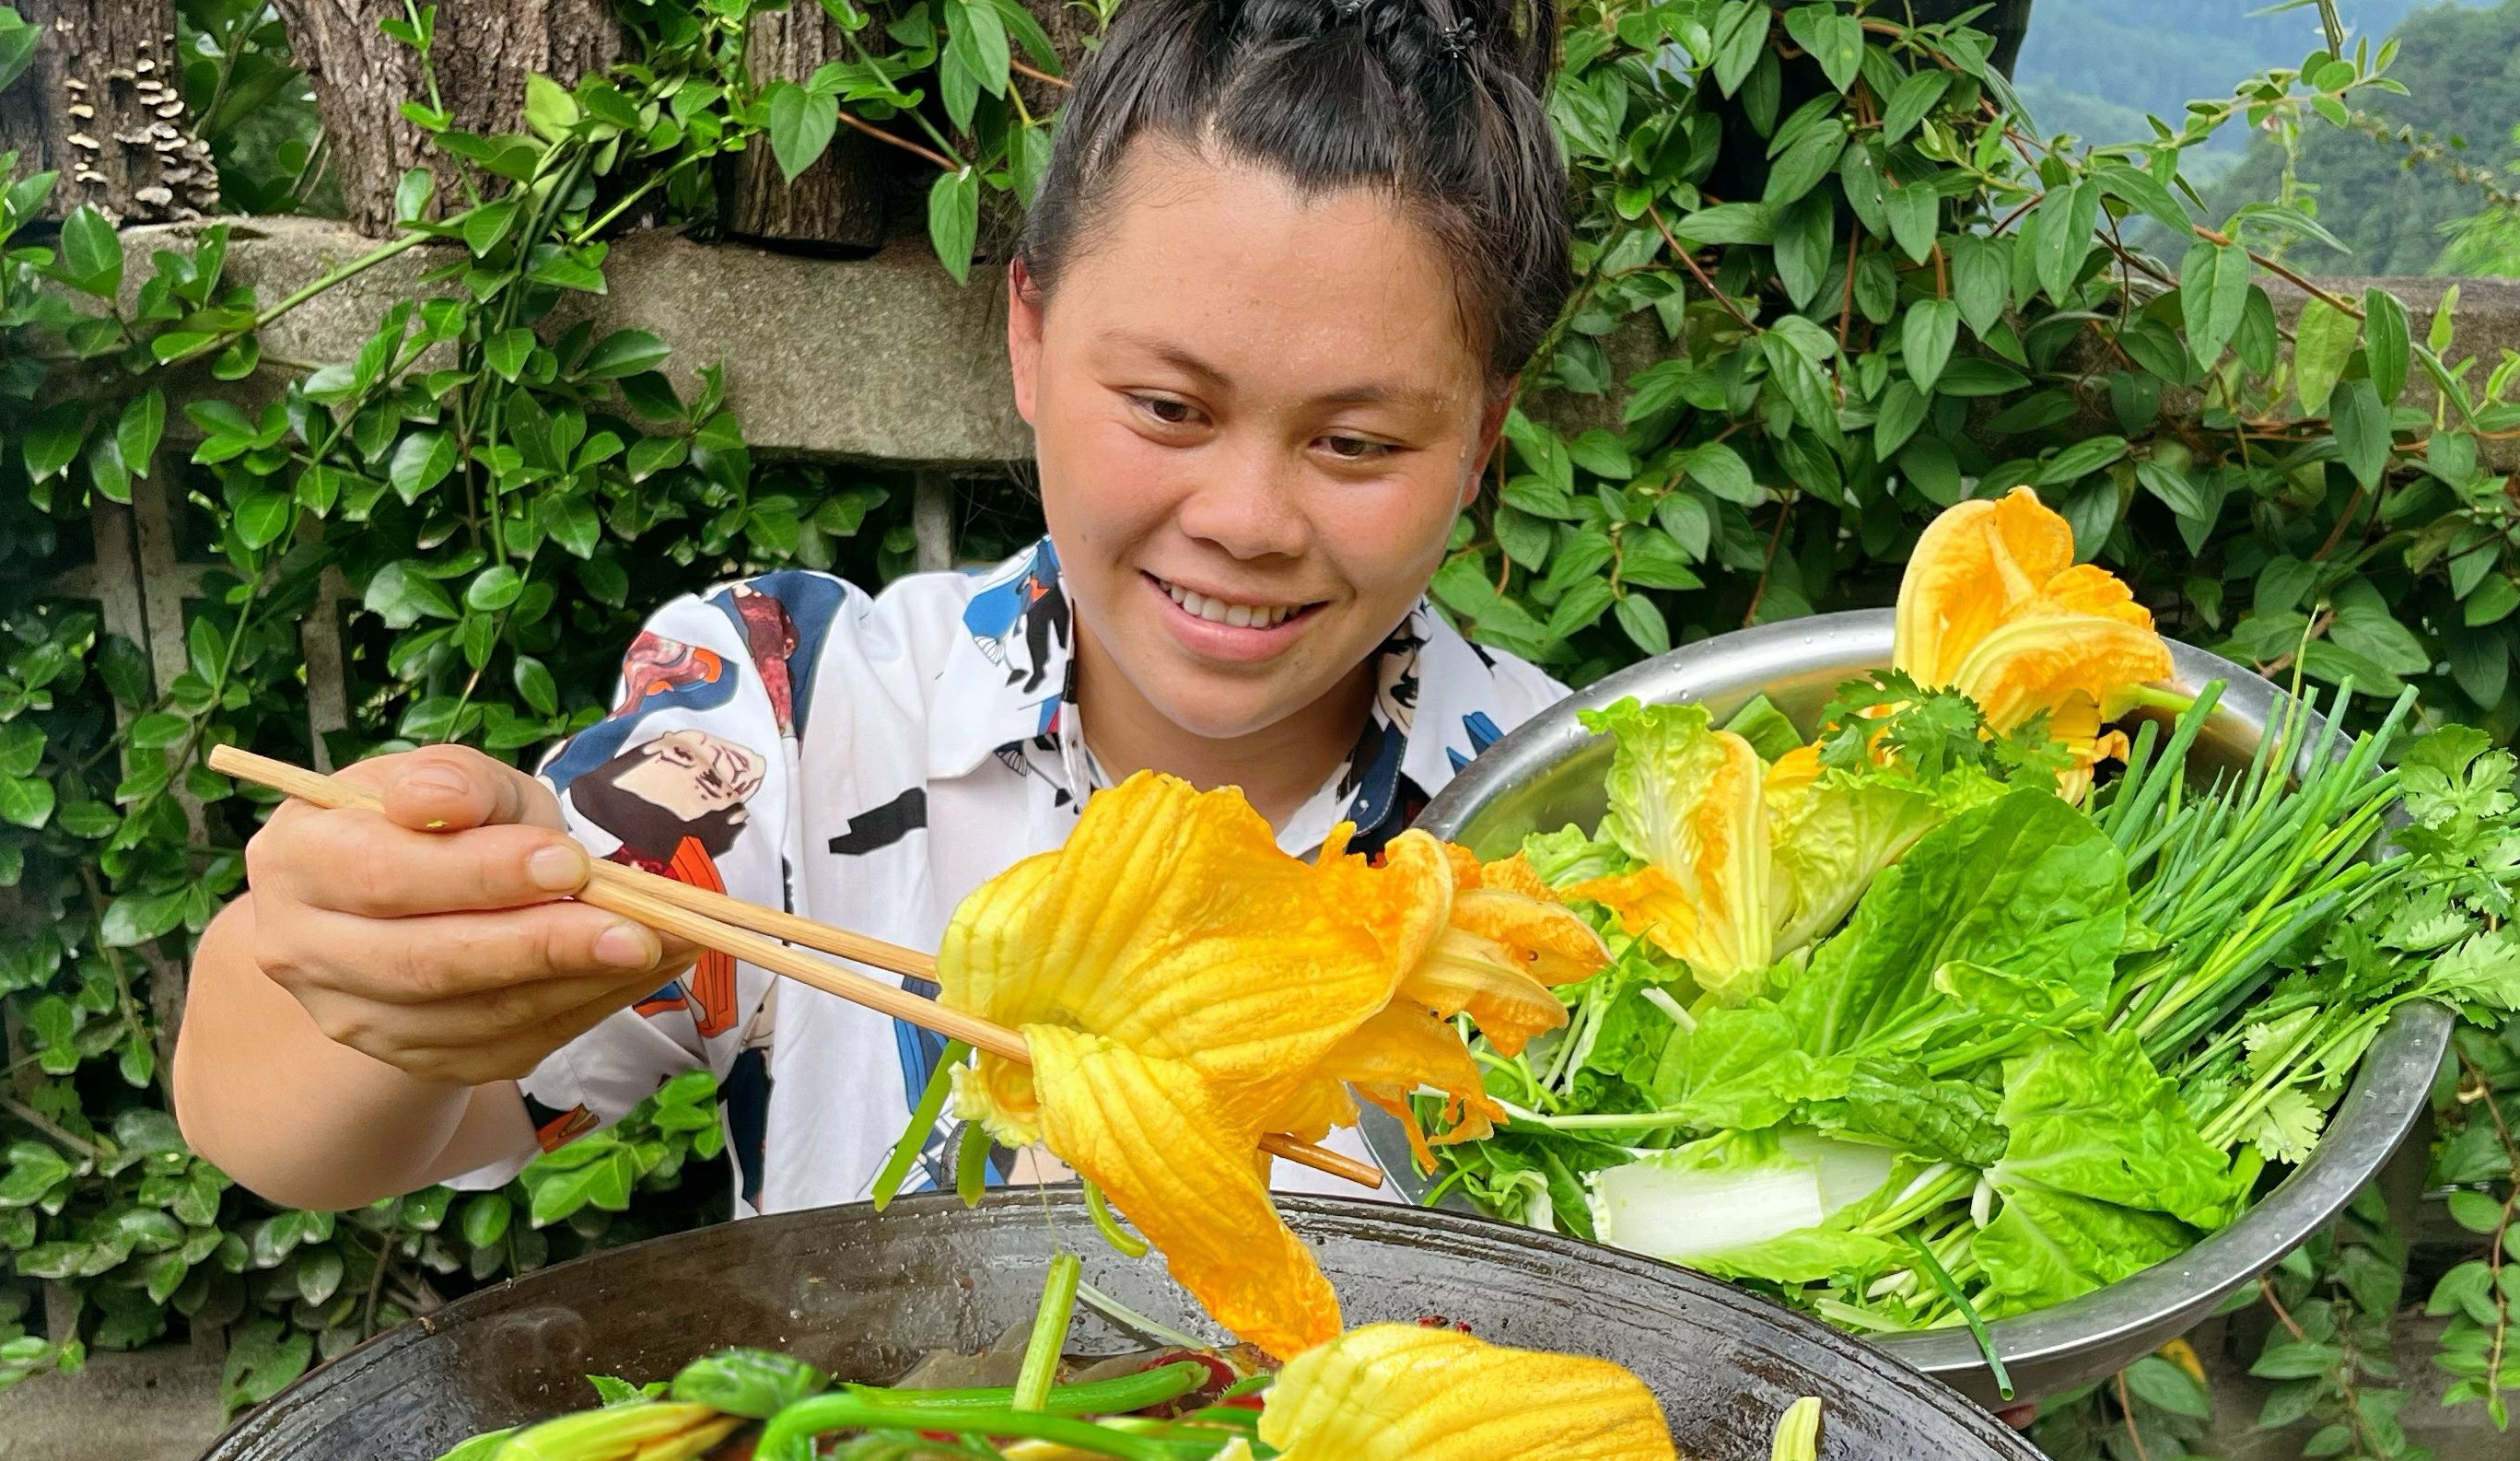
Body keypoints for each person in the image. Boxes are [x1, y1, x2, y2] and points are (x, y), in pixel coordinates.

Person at [175, 0, 1581, 1219]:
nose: (1245, 520)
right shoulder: (793, 720)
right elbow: (289, 1127)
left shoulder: (1572, 832)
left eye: (1357, 445)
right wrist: (379, 960)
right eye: (1166, 407)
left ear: (1482, 431)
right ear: (1027, 336)